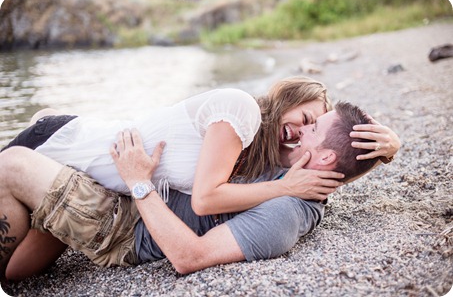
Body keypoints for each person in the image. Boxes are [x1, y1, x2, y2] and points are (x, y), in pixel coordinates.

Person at [0, 101, 400, 280]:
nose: (300, 134)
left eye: (312, 129)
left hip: (122, 225)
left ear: (324, 157)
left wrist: (139, 181)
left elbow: (190, 257)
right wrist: (387, 151)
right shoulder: (300, 174)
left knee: (12, 163)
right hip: (128, 195)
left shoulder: (286, 215)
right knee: (17, 272)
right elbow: (340, 161)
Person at [1, 77, 347, 218]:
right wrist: (285, 187)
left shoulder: (253, 151)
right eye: (305, 118)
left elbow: (330, 152)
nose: (302, 133)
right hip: (61, 144)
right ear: (289, 99)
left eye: (310, 130)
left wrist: (387, 147)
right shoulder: (241, 110)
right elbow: (205, 200)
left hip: (75, 178)